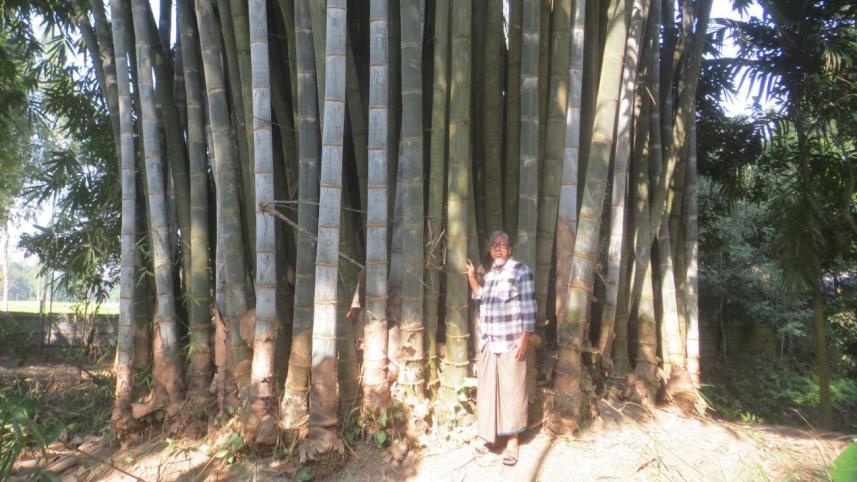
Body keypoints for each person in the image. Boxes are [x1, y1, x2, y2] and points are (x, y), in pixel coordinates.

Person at [466, 230, 536, 466]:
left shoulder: (520, 271)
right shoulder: (490, 275)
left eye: (502, 245)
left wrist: (525, 336)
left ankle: (512, 442)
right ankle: (493, 438)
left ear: (510, 249)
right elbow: (481, 296)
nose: (498, 248)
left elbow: (529, 306)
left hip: (510, 342)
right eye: (494, 245)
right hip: (489, 341)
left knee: (511, 390)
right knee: (490, 391)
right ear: (490, 250)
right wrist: (472, 277)